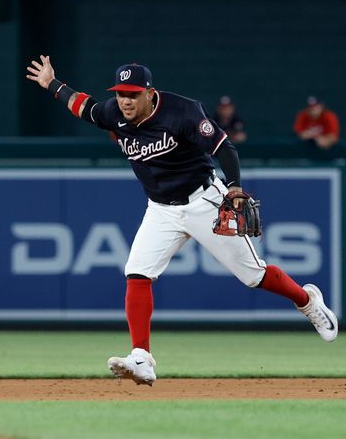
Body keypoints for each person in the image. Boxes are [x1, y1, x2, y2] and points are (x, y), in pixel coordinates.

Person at [26, 56, 338, 386]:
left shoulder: (183, 112)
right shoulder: (113, 112)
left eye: (132, 94)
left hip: (204, 201)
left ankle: (307, 302)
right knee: (137, 272)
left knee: (253, 276)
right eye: (120, 94)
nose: (125, 101)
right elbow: (83, 106)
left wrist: (233, 188)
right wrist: (51, 84)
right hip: (161, 208)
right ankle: (142, 358)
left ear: (149, 93)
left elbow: (225, 148)